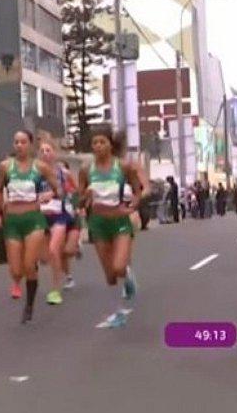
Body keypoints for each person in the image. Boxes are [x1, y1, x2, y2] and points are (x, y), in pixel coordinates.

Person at [78, 128, 150, 329]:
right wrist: (87, 196)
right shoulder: (86, 170)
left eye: (102, 142)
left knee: (118, 266)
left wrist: (132, 205)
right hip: (98, 223)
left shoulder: (123, 167)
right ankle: (117, 312)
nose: (98, 146)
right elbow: (79, 198)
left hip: (119, 221)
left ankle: (127, 275)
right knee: (109, 273)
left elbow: (137, 191)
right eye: (95, 143)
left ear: (110, 144)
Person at [0, 130, 60, 323]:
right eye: (16, 142)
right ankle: (29, 272)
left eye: (23, 142)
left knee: (29, 264)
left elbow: (58, 188)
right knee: (16, 271)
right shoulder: (5, 167)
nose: (19, 145)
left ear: (30, 145)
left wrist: (50, 195)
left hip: (33, 219)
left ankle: (29, 306)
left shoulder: (40, 167)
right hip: (12, 220)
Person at [37, 135, 77, 302]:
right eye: (42, 151)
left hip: (59, 215)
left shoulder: (63, 172)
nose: (45, 153)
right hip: (40, 217)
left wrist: (54, 193)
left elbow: (73, 189)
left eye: (48, 150)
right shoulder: (34, 173)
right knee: (45, 258)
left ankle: (55, 290)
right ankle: (62, 260)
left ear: (54, 153)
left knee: (55, 250)